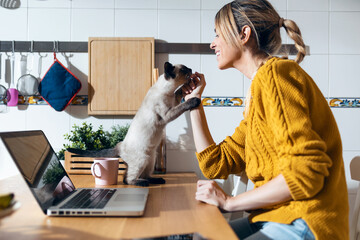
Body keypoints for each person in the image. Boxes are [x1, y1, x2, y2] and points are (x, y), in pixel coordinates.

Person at [181, 0, 349, 239]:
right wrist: (194, 103)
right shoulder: (259, 91)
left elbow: (304, 173)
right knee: (201, 236)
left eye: (217, 35)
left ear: (244, 34)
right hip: (274, 217)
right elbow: (214, 164)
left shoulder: (275, 76)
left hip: (304, 220)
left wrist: (229, 202)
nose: (212, 43)